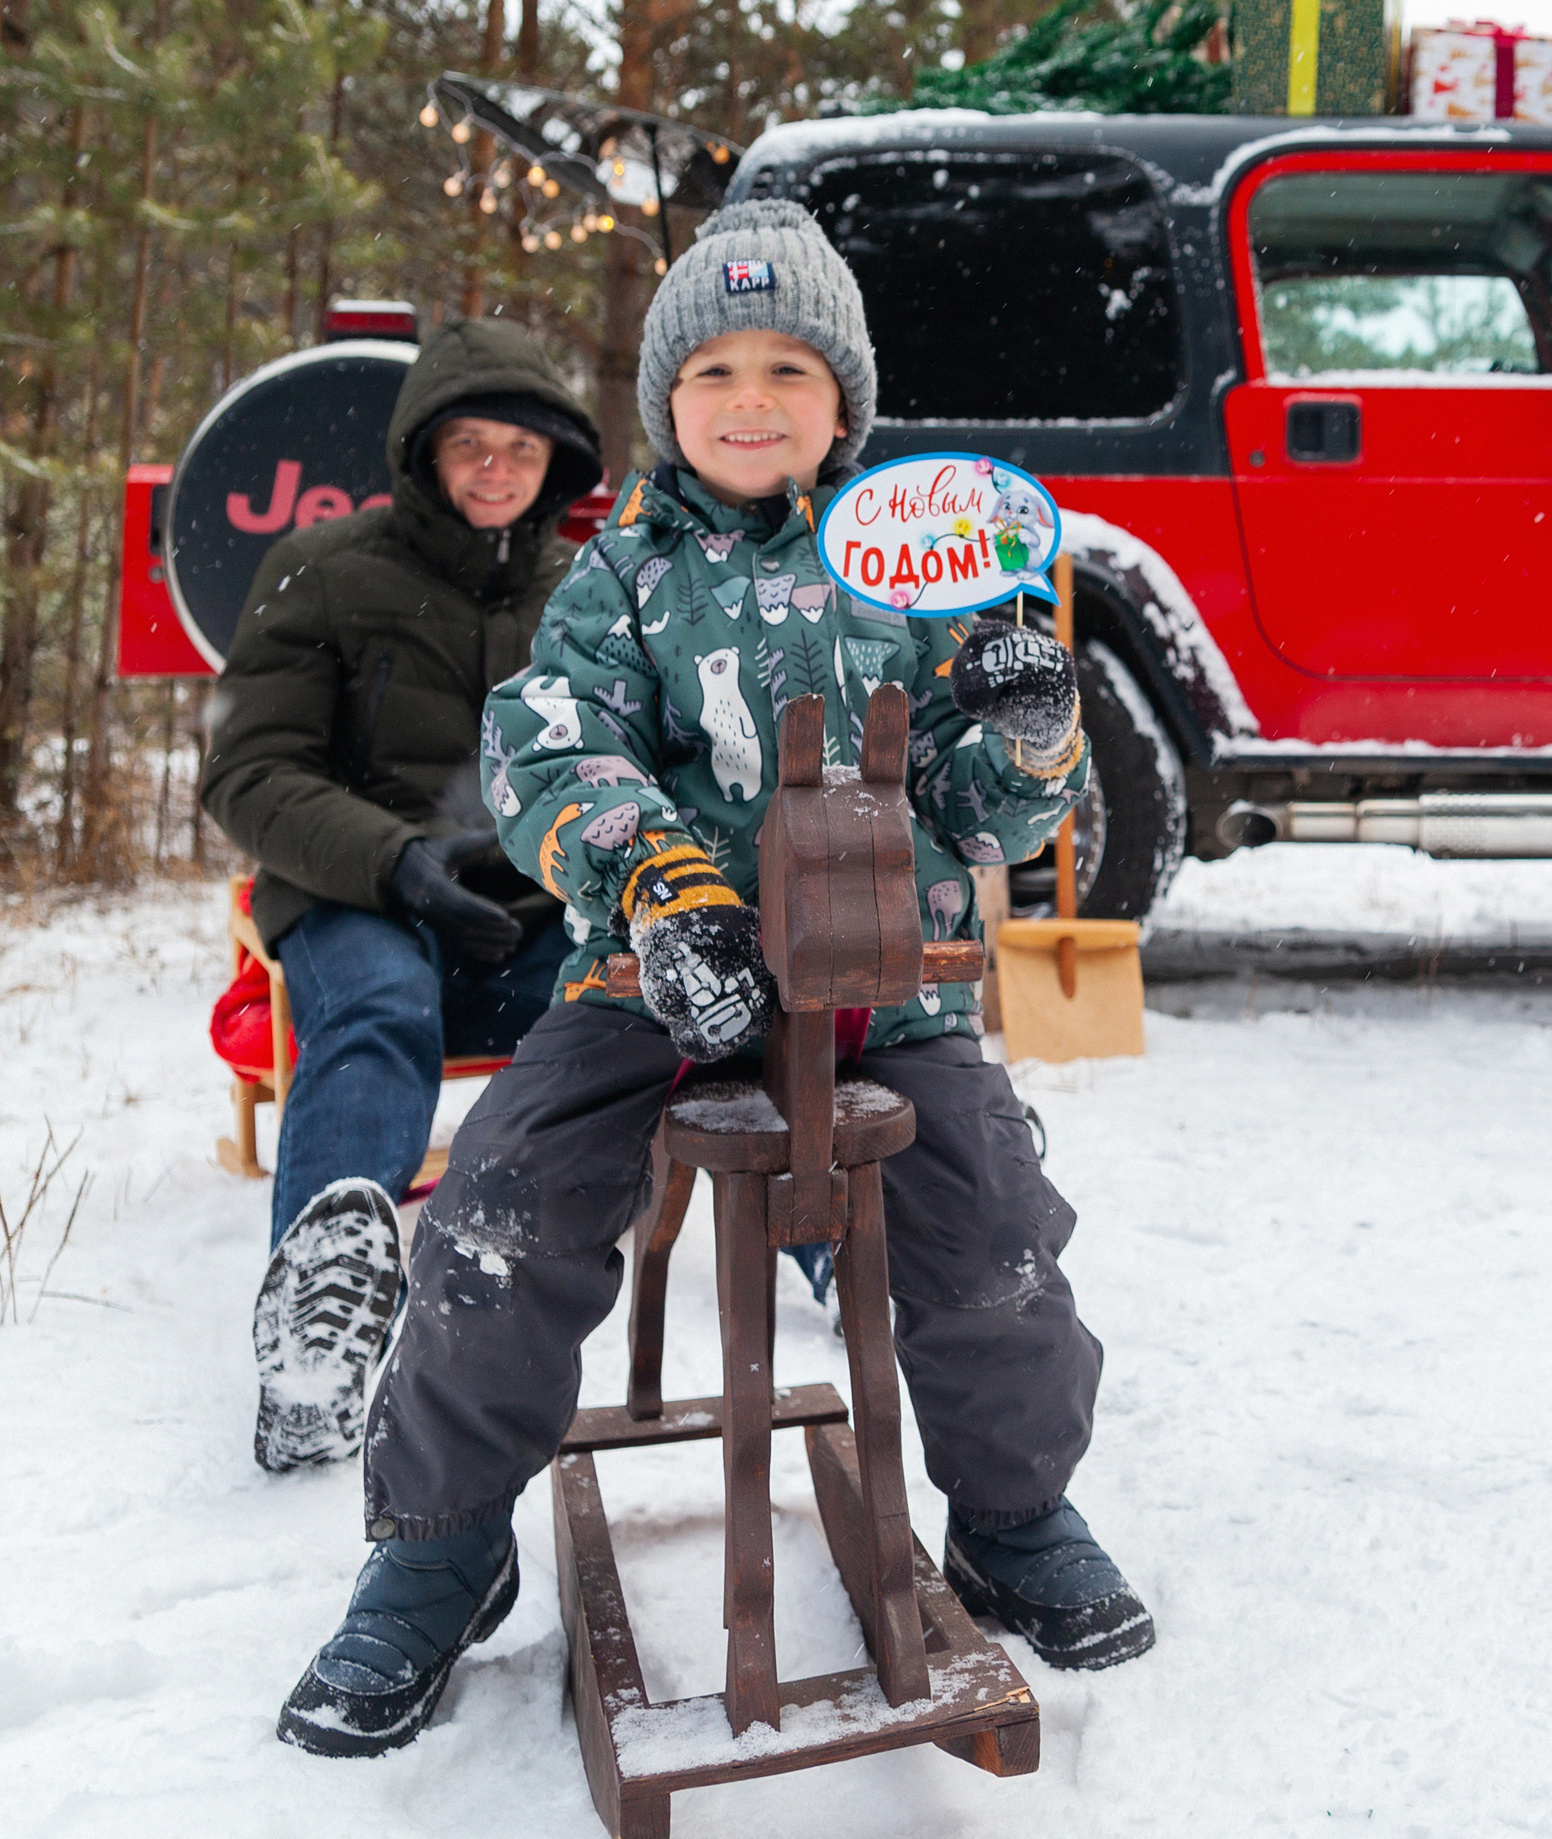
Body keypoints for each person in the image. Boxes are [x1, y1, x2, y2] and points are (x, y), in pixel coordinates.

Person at [275, 199, 1153, 1759]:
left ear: (844, 400)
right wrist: (661, 886)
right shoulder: (618, 579)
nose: (752, 400)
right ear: (667, 400)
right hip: (656, 981)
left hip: (890, 988)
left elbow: (980, 804)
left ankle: (1015, 1512)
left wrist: (1032, 737)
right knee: (499, 1204)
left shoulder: (921, 575)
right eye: (715, 372)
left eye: (790, 368)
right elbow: (550, 746)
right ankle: (439, 1543)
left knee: (994, 1227)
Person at [202, 319, 604, 1475]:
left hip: (532, 909)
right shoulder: (324, 570)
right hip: (363, 893)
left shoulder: (589, 591)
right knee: (378, 1009)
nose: (495, 468)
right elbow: (248, 771)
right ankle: (316, 1342)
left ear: (555, 465)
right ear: (423, 451)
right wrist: (392, 862)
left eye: (520, 448)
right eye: (469, 443)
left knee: (666, 986)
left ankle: (836, 1233)